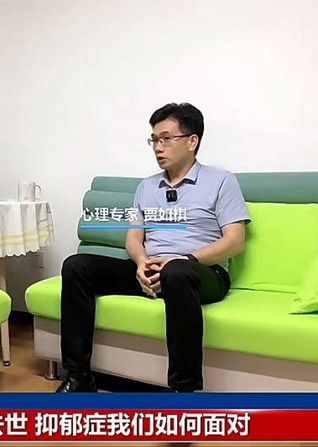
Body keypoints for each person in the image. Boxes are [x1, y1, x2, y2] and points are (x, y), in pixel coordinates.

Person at [56, 103, 251, 393]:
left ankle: (183, 392)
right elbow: (134, 238)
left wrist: (183, 259)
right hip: (152, 270)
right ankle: (79, 376)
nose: (158, 148)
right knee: (77, 266)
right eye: (154, 140)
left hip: (201, 271)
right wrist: (141, 263)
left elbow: (234, 241)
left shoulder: (221, 181)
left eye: (166, 139)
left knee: (177, 272)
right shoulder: (146, 187)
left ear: (192, 141)